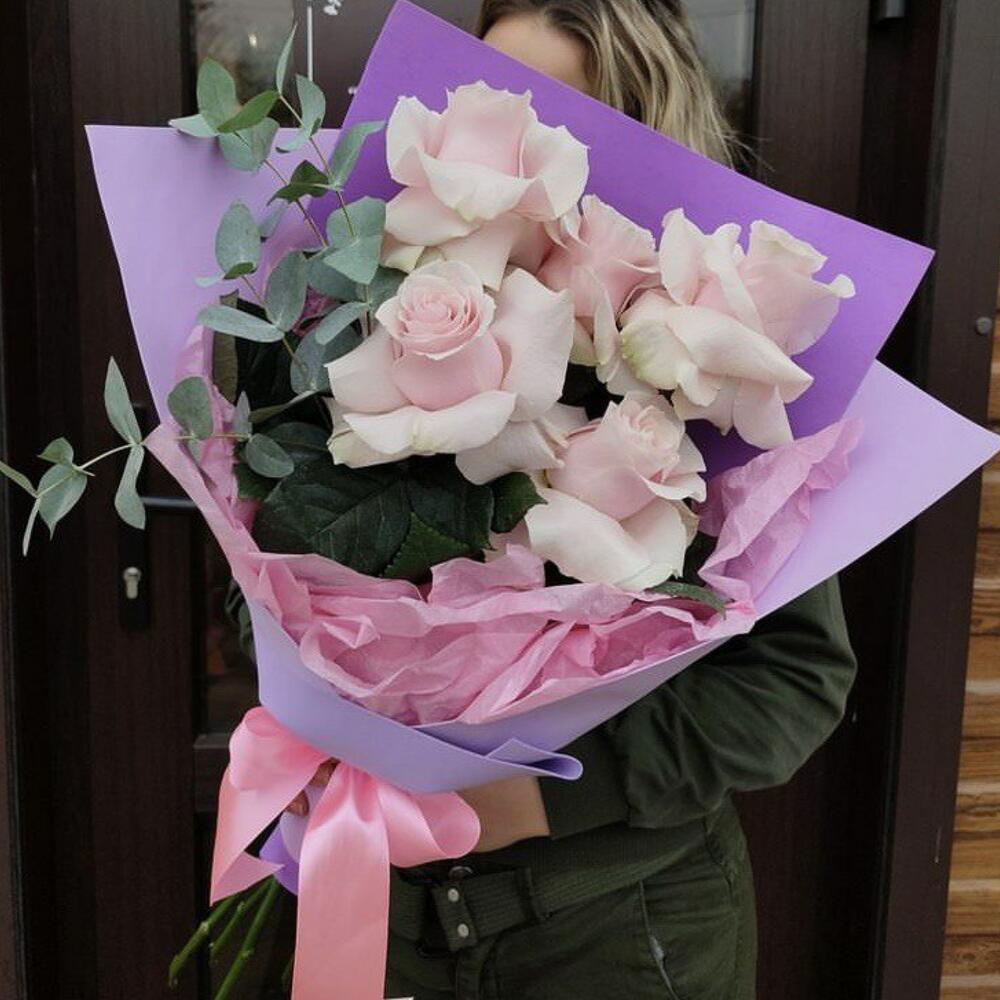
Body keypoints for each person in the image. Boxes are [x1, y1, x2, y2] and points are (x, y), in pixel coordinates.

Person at [289, 3, 857, 997]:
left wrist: (548, 792)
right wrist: (309, 706)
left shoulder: (714, 374)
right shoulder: (365, 315)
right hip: (389, 914)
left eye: (551, 116)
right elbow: (276, 554)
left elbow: (792, 681)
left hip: (617, 934)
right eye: (490, 97)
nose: (505, 149)